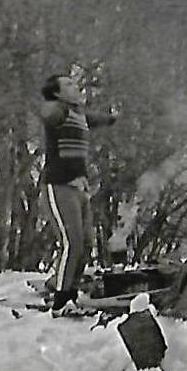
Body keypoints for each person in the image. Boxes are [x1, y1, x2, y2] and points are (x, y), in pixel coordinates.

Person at [38, 74, 117, 316]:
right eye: (69, 85)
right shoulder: (57, 111)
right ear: (59, 93)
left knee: (86, 243)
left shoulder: (79, 114)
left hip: (79, 187)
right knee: (71, 241)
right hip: (58, 185)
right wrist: (51, 105)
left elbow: (100, 118)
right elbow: (48, 113)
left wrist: (116, 118)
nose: (76, 86)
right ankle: (61, 299)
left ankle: (70, 291)